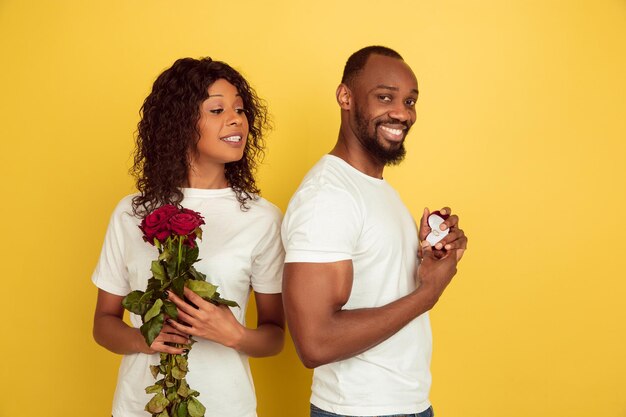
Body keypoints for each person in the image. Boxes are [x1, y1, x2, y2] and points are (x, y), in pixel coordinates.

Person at [92, 57, 285, 417]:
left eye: (240, 109)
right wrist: (144, 338)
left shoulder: (262, 218)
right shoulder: (131, 212)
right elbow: (103, 323)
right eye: (217, 109)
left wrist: (234, 334)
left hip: (226, 408)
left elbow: (275, 335)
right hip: (138, 408)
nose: (236, 119)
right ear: (180, 123)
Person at [281, 46, 468, 417]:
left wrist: (429, 258)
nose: (402, 112)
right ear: (345, 96)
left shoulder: (373, 187)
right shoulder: (327, 196)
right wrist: (428, 293)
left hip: (405, 404)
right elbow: (315, 342)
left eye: (410, 101)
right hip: (359, 410)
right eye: (385, 97)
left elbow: (378, 283)